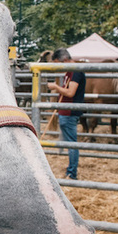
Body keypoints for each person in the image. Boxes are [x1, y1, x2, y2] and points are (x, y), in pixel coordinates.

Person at [47, 48, 86, 179]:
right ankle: (71, 170)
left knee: (71, 143)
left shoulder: (75, 71)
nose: (58, 67)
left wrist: (56, 87)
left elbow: (70, 93)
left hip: (70, 112)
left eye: (58, 63)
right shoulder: (70, 71)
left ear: (64, 60)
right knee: (70, 142)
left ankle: (72, 172)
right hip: (65, 111)